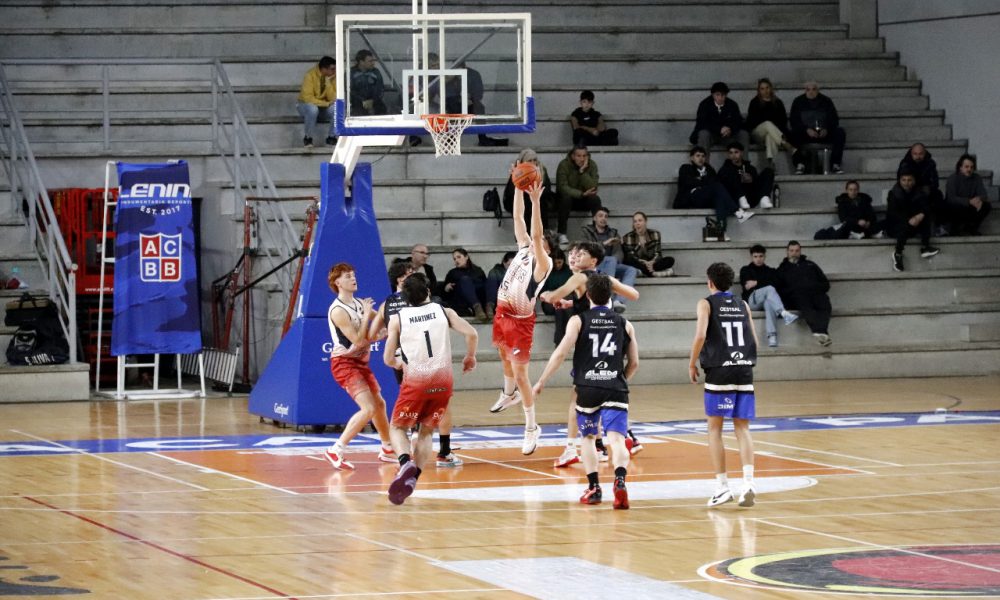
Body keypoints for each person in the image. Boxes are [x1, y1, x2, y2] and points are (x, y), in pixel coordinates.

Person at [533, 274, 639, 509]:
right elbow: (634, 363)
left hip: (588, 388)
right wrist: (619, 380)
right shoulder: (625, 323)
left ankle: (594, 488)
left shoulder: (578, 320)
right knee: (617, 440)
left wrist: (541, 381)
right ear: (612, 295)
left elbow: (560, 353)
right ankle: (620, 480)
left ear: (588, 295)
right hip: (615, 388)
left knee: (589, 438)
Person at [539, 242, 641, 467]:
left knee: (580, 396)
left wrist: (544, 294)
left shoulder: (579, 278)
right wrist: (574, 303)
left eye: (581, 254)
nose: (574, 257)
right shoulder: (602, 279)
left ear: (593, 260)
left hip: (591, 342)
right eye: (573, 253)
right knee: (606, 391)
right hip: (611, 337)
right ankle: (620, 440)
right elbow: (634, 294)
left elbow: (554, 295)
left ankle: (571, 448)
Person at [382, 273, 478, 505]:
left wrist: (397, 363)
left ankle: (405, 462)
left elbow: (387, 359)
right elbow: (472, 333)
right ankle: (413, 478)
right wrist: (470, 357)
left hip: (416, 382)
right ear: (427, 291)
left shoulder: (399, 318)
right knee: (426, 432)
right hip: (442, 382)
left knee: (397, 427)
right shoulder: (444, 311)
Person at [368, 262, 462, 467]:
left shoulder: (386, 305)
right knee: (436, 410)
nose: (411, 275)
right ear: (401, 279)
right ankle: (443, 452)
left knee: (408, 413)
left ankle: (406, 454)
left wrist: (384, 334)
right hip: (427, 363)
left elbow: (372, 335)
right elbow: (469, 332)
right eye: (408, 273)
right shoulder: (432, 304)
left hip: (403, 362)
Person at [688, 262, 760, 508]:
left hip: (720, 369)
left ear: (710, 282)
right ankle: (749, 483)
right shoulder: (743, 304)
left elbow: (700, 336)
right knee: (743, 428)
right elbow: (754, 340)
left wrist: (691, 363)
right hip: (744, 370)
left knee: (714, 429)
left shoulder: (705, 303)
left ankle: (722, 487)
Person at [488, 182, 553, 456]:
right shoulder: (524, 247)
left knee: (522, 375)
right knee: (503, 356)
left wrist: (536, 201)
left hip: (520, 321)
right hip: (503, 313)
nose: (537, 239)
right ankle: (508, 393)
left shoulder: (544, 263)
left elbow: (536, 235)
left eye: (542, 240)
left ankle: (531, 427)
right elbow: (517, 217)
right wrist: (517, 187)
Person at [323, 262, 395, 470]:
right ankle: (335, 449)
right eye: (347, 276)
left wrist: (389, 315)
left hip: (361, 362)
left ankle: (387, 447)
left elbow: (381, 322)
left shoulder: (358, 303)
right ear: (337, 283)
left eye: (353, 275)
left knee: (380, 404)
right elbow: (359, 339)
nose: (353, 279)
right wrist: (368, 319)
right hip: (344, 363)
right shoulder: (338, 310)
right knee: (369, 408)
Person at [674, 146, 754, 237]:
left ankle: (721, 230)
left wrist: (700, 180)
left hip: (706, 197)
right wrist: (704, 181)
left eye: (703, 156)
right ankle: (737, 211)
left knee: (719, 197)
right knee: (716, 188)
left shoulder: (709, 168)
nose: (700, 158)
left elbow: (715, 181)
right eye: (698, 156)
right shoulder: (686, 168)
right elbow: (689, 182)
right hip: (692, 197)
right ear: (691, 158)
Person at [580, 206, 639, 312]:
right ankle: (607, 298)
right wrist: (604, 243)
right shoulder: (586, 231)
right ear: (594, 218)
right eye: (600, 216)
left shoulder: (613, 233)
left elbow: (618, 252)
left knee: (631, 270)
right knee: (610, 260)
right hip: (593, 264)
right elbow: (586, 249)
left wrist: (614, 262)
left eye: (606, 216)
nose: (603, 218)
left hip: (611, 264)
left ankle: (619, 301)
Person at [739, 244, 798, 348]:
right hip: (752, 301)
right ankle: (783, 312)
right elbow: (748, 286)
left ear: (765, 257)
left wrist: (756, 282)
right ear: (751, 257)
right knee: (769, 289)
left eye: (761, 256)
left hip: (766, 299)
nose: (758, 259)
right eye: (755, 256)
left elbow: (777, 283)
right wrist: (765, 282)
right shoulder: (745, 270)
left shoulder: (770, 271)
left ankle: (772, 337)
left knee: (768, 302)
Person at [776, 241, 833, 346]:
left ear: (800, 251)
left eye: (797, 251)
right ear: (787, 252)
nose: (794, 253)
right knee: (805, 303)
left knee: (825, 303)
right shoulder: (782, 269)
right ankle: (820, 331)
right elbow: (779, 290)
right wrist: (795, 290)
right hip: (795, 297)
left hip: (815, 294)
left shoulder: (810, 265)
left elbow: (825, 284)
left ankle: (820, 332)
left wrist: (814, 288)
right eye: (792, 251)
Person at [887, 167, 939, 272]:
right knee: (905, 225)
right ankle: (898, 254)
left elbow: (926, 207)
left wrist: (920, 215)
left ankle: (925, 246)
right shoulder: (893, 194)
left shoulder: (918, 192)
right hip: (897, 226)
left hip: (914, 224)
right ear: (899, 180)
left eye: (909, 180)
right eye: (904, 180)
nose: (907, 183)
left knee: (925, 216)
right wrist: (909, 220)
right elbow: (893, 214)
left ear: (914, 181)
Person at [788, 81, 846, 175]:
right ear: (805, 90)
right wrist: (806, 129)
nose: (811, 92)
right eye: (808, 89)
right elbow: (794, 121)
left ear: (818, 90)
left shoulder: (826, 101)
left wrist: (826, 128)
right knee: (793, 134)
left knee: (840, 132)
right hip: (806, 134)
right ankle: (800, 163)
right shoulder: (798, 101)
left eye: (814, 89)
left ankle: (835, 164)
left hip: (824, 133)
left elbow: (834, 119)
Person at [689, 81, 750, 158]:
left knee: (743, 134)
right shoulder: (704, 104)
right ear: (713, 95)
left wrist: (730, 128)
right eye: (717, 95)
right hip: (711, 135)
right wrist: (719, 129)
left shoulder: (732, 104)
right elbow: (702, 123)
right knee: (703, 134)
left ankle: (743, 165)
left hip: (728, 136)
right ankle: (704, 167)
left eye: (723, 95)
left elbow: (738, 121)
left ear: (726, 95)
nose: (720, 98)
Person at [555, 145, 601, 245]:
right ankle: (561, 233)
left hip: (583, 199)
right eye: (579, 156)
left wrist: (582, 172)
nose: (582, 159)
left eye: (584, 156)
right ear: (573, 156)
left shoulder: (592, 165)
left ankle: (597, 232)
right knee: (565, 199)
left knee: (595, 199)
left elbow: (593, 187)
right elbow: (562, 187)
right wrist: (581, 194)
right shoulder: (564, 165)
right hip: (568, 198)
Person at [745, 77, 795, 167]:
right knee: (768, 124)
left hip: (773, 133)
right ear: (759, 91)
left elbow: (782, 121)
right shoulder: (754, 102)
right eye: (762, 89)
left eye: (767, 88)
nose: (765, 91)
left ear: (771, 88)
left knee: (770, 136)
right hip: (757, 133)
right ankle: (784, 143)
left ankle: (771, 164)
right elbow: (752, 121)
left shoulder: (778, 103)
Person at [503, 148, 555, 231]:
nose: (533, 163)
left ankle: (542, 232)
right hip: (518, 199)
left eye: (534, 160)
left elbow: (546, 189)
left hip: (538, 198)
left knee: (539, 203)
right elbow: (511, 192)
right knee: (526, 204)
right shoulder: (517, 171)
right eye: (529, 160)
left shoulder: (542, 170)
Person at [897, 143, 944, 233]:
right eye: (915, 154)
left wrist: (929, 188)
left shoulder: (930, 163)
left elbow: (935, 182)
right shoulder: (905, 163)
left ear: (925, 153)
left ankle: (938, 225)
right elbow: (902, 181)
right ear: (911, 153)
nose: (918, 156)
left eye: (920, 154)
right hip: (910, 190)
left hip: (926, 191)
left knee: (938, 195)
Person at [944, 153, 992, 236]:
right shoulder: (953, 178)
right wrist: (969, 201)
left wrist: (979, 199)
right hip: (956, 207)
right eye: (966, 167)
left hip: (970, 206)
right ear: (960, 167)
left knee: (986, 206)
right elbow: (951, 198)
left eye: (971, 167)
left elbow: (983, 194)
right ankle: (955, 229)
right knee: (953, 206)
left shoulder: (977, 178)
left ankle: (971, 228)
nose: (969, 169)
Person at [718, 141, 775, 210]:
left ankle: (764, 198)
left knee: (768, 171)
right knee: (730, 172)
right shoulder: (724, 169)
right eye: (731, 153)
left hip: (750, 198)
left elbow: (756, 184)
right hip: (735, 199)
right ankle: (741, 198)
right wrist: (740, 179)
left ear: (741, 153)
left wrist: (751, 179)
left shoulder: (750, 168)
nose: (733, 155)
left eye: (736, 152)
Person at [296, 56, 337, 148]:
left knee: (337, 109)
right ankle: (308, 138)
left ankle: (331, 138)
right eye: (332, 69)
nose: (334, 71)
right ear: (323, 69)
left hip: (322, 107)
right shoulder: (309, 75)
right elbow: (308, 98)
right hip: (305, 105)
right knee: (313, 110)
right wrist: (326, 103)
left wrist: (328, 82)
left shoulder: (332, 77)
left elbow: (333, 98)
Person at [622, 211, 675, 277]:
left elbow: (657, 253)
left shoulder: (655, 234)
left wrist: (652, 263)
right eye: (635, 221)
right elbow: (631, 256)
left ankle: (647, 272)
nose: (637, 223)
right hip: (639, 264)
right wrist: (639, 246)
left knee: (670, 260)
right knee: (628, 260)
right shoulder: (628, 237)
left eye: (640, 220)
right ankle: (653, 273)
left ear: (645, 221)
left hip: (652, 263)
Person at [442, 248, 489, 322]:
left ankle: (486, 309)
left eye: (459, 257)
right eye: (454, 259)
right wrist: (446, 289)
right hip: (462, 302)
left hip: (480, 299)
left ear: (466, 257)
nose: (456, 260)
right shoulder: (452, 273)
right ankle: (476, 308)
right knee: (465, 280)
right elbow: (444, 295)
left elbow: (485, 287)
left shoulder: (478, 271)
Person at [349, 49, 387, 117]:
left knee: (383, 110)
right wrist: (362, 101)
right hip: (357, 104)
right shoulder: (351, 73)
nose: (373, 63)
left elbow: (380, 89)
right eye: (370, 61)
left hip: (375, 103)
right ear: (361, 62)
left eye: (373, 61)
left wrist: (372, 101)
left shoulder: (376, 72)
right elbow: (349, 90)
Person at [540, 248, 573, 317]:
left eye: (559, 262)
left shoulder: (569, 271)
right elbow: (542, 292)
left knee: (562, 305)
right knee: (559, 305)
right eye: (555, 263)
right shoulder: (547, 271)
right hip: (549, 302)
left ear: (564, 260)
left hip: (566, 301)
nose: (557, 265)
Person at [486, 251, 517, 319]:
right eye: (509, 265)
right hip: (500, 302)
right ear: (504, 263)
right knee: (493, 275)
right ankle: (490, 306)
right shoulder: (495, 271)